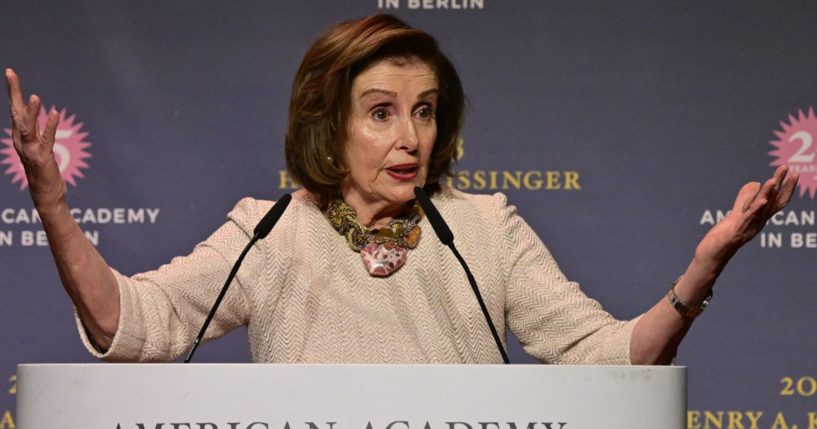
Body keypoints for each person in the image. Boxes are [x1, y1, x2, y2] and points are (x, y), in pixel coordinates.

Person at [5, 14, 798, 364]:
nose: (410, 137)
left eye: (423, 111)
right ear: (328, 123)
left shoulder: (484, 226)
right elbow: (135, 322)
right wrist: (52, 205)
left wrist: (703, 269)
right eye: (381, 112)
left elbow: (606, 357)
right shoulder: (273, 227)